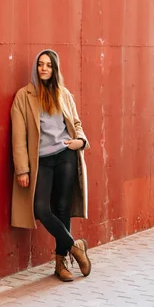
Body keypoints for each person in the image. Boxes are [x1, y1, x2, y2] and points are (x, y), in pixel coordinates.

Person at [10, 49, 91, 282]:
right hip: (42, 161)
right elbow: (19, 136)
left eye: (49, 65)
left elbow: (75, 122)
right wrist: (22, 169)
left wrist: (81, 141)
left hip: (65, 154)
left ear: (55, 69)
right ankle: (75, 246)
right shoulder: (23, 97)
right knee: (41, 209)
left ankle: (61, 263)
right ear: (36, 68)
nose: (44, 68)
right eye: (40, 64)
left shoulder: (63, 94)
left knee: (63, 208)